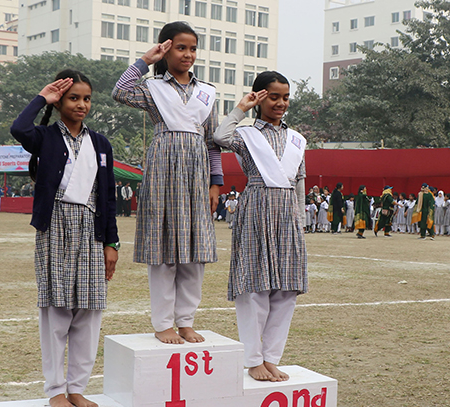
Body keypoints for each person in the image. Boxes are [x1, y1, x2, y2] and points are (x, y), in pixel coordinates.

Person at [11, 71, 119, 407]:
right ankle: (56, 390)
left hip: (91, 229)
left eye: (86, 98)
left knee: (88, 312)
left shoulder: (100, 144)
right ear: (61, 102)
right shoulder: (44, 136)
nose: (81, 105)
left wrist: (111, 243)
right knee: (56, 312)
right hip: (55, 226)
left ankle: (77, 389)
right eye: (74, 98)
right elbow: (19, 128)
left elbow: (108, 197)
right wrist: (43, 97)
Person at [113, 22, 223, 344]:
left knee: (195, 250)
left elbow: (213, 142)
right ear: (166, 49)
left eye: (192, 48)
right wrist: (146, 60)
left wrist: (216, 183)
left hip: (197, 174)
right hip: (163, 169)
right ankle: (163, 323)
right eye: (180, 47)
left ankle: (186, 320)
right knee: (163, 250)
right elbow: (120, 90)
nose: (187, 54)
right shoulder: (152, 88)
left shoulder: (208, 93)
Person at [213, 70, 307, 382]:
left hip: (287, 214)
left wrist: (300, 222)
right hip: (255, 208)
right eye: (273, 96)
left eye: (285, 97)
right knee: (254, 286)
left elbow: (299, 182)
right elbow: (219, 136)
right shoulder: (247, 135)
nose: (280, 103)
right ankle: (253, 359)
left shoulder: (297, 140)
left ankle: (271, 358)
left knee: (286, 288)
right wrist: (242, 107)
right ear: (260, 97)